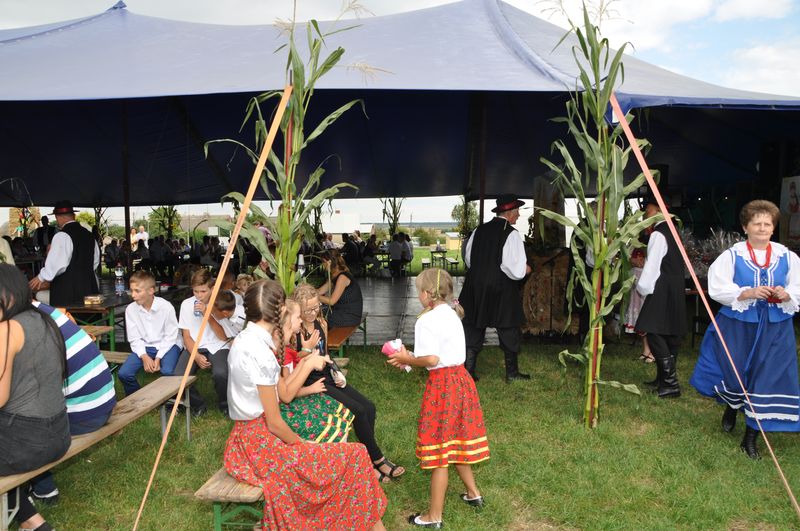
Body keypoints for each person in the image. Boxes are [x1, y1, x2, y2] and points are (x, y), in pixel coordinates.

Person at [224, 279, 387, 530]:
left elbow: (281, 400)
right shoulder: (260, 352)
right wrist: (304, 445)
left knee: (353, 456)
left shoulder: (247, 340)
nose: (299, 320)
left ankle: (362, 522)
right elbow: (276, 422)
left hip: (249, 438)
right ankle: (361, 522)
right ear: (279, 312)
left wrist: (305, 363)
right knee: (355, 456)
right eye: (295, 315)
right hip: (259, 443)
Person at [690, 200, 800, 459]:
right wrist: (746, 292)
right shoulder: (732, 255)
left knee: (767, 377)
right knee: (736, 372)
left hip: (775, 327)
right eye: (757, 223)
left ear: (773, 228)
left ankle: (750, 438)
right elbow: (717, 288)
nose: (762, 228)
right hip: (739, 325)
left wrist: (787, 293)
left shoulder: (787, 256)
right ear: (745, 227)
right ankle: (732, 404)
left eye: (767, 223)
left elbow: (797, 286)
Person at [387, 268, 490, 528]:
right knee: (455, 440)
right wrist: (410, 359)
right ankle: (473, 494)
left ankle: (434, 517)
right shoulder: (452, 313)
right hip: (461, 381)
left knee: (440, 451)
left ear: (425, 294)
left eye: (417, 290)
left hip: (443, 387)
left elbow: (431, 360)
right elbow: (438, 355)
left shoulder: (426, 320)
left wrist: (405, 358)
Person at [293, 283, 405, 483]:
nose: (312, 313)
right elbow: (294, 360)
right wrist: (308, 350)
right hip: (311, 381)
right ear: (298, 309)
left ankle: (369, 458)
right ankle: (377, 460)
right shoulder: (295, 330)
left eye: (315, 307)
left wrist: (336, 371)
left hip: (327, 374)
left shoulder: (321, 323)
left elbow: (325, 353)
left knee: (369, 407)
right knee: (357, 411)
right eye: (307, 310)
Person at [0, 264, 70, 531]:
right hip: (59, 434)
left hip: (27, 442)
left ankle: (29, 519)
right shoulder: (43, 319)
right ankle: (33, 522)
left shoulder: (7, 328)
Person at [29, 301, 117, 504]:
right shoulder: (42, 309)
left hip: (86, 412)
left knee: (16, 428)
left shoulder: (20, 326)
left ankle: (43, 489)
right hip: (104, 399)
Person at [460, 194, 531, 383]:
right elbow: (514, 269)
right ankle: (512, 373)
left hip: (474, 285)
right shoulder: (511, 234)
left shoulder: (478, 230)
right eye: (517, 212)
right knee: (508, 325)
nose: (518, 216)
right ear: (510, 213)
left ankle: (469, 371)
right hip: (500, 287)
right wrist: (525, 270)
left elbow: (468, 259)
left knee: (474, 324)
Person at [276, 299, 353, 442]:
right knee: (331, 425)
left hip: (296, 396)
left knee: (338, 412)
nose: (300, 321)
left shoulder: (282, 349)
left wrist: (307, 357)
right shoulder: (276, 355)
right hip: (284, 409)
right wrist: (308, 362)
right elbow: (285, 396)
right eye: (298, 317)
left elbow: (286, 384)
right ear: (280, 329)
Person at [635, 198, 686, 399]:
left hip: (662, 284)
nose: (645, 215)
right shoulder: (672, 230)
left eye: (647, 210)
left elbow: (653, 264)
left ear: (658, 210)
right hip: (674, 284)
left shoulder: (659, 233)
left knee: (653, 330)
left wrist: (643, 287)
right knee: (670, 332)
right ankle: (663, 379)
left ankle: (671, 383)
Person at [175, 269, 231, 415]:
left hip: (218, 345)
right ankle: (198, 405)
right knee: (179, 376)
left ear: (212, 289)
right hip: (195, 345)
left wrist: (208, 314)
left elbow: (223, 337)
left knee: (221, 373)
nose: (199, 296)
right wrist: (196, 356)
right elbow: (186, 336)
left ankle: (225, 405)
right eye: (195, 291)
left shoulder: (220, 304)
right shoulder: (187, 305)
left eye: (203, 291)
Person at [118, 270, 183, 396]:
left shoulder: (166, 307)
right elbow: (134, 338)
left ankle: (171, 402)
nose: (133, 295)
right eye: (131, 291)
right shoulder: (131, 309)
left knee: (168, 372)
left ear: (151, 291)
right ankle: (136, 398)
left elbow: (171, 336)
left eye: (137, 291)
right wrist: (144, 356)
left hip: (169, 344)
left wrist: (158, 357)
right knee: (124, 373)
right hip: (146, 346)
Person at [29, 201, 100, 307]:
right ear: (74, 216)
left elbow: (57, 264)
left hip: (69, 293)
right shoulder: (89, 235)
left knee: (39, 297)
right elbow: (95, 262)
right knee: (88, 319)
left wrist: (41, 277)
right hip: (90, 288)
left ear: (58, 217)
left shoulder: (61, 236)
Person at [317, 250, 363, 329]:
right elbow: (320, 291)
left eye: (323, 262)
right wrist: (306, 291)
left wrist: (314, 297)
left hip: (349, 316)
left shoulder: (342, 277)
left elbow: (331, 301)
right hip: (342, 312)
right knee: (317, 313)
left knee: (314, 316)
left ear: (330, 262)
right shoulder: (334, 276)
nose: (323, 265)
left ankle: (322, 339)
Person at [624, 244, 653, 363]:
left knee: (649, 326)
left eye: (642, 258)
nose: (640, 260)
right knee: (642, 327)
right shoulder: (632, 272)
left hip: (647, 299)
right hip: (637, 300)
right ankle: (646, 350)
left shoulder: (647, 271)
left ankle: (653, 352)